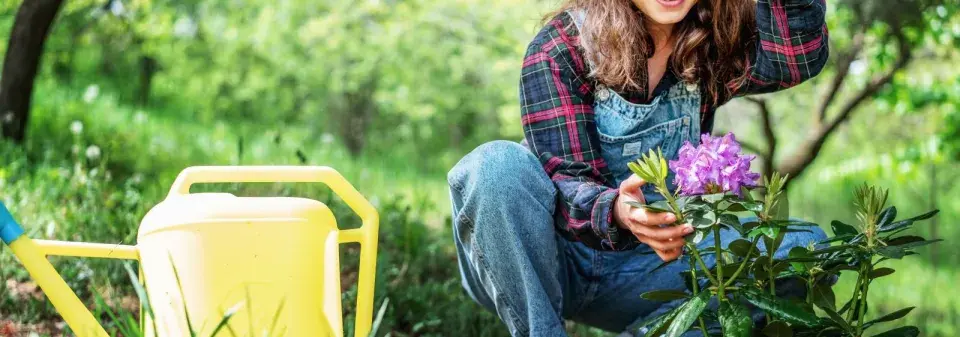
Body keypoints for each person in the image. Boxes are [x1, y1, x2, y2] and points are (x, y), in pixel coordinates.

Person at [448, 0, 830, 336]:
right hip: (547, 262)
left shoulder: (712, 40)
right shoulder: (561, 47)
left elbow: (795, 58)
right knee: (494, 165)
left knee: (807, 249)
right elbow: (565, 180)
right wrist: (617, 210)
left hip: (650, 267)